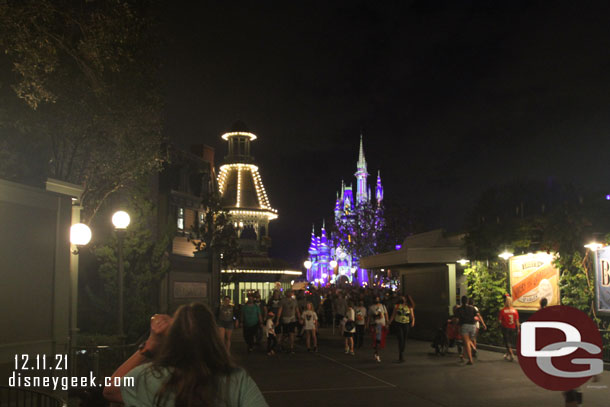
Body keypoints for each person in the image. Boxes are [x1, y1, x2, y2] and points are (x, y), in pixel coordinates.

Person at [103, 303, 268, 407]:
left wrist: (150, 345)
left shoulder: (147, 376)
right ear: (213, 337)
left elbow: (111, 389)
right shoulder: (235, 379)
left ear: (173, 338)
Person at [455, 296, 485, 365]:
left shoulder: (459, 309)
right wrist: (483, 324)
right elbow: (478, 315)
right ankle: (464, 355)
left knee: (466, 343)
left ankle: (470, 359)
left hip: (464, 326)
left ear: (461, 301)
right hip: (473, 326)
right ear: (467, 301)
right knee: (469, 341)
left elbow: (456, 319)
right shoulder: (472, 308)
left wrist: (456, 326)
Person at [388, 295, 415, 363]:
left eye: (404, 298)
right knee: (400, 338)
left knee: (404, 339)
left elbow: (412, 316)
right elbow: (393, 315)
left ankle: (402, 351)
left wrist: (413, 322)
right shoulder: (397, 306)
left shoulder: (409, 306)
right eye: (402, 297)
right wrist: (389, 322)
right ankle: (401, 354)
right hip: (398, 323)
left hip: (406, 324)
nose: (402, 298)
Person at [367, 296, 389, 362]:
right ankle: (377, 353)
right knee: (377, 339)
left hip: (382, 324)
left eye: (378, 299)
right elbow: (369, 317)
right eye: (375, 299)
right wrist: (367, 325)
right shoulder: (371, 307)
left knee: (379, 340)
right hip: (375, 324)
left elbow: (386, 314)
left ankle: (376, 352)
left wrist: (387, 323)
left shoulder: (383, 306)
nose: (377, 300)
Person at [498, 296, 519, 361]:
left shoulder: (503, 310)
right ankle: (507, 354)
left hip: (505, 327)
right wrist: (518, 329)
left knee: (507, 342)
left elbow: (500, 321)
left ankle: (512, 355)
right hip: (513, 328)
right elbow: (517, 321)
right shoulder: (515, 311)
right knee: (510, 341)